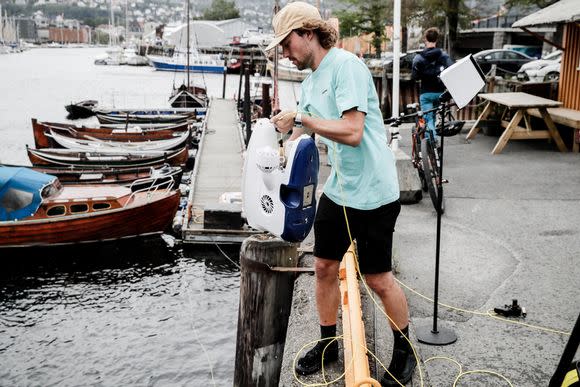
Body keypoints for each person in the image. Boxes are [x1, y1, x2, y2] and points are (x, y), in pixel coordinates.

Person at [265, 2, 416, 385]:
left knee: (378, 278)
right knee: (322, 266)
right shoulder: (312, 81)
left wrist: (301, 117)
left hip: (376, 192)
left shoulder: (346, 67)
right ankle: (328, 342)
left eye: (286, 43)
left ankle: (404, 349)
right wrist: (278, 140)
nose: (284, 52)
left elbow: (351, 131)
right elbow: (308, 130)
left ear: (308, 33)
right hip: (342, 188)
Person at [411, 27, 453, 141]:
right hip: (439, 93)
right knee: (433, 118)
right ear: (436, 39)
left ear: (425, 39)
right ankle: (433, 145)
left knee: (428, 119)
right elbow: (451, 71)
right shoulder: (444, 56)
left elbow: (414, 77)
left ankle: (431, 144)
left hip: (426, 93)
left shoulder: (419, 57)